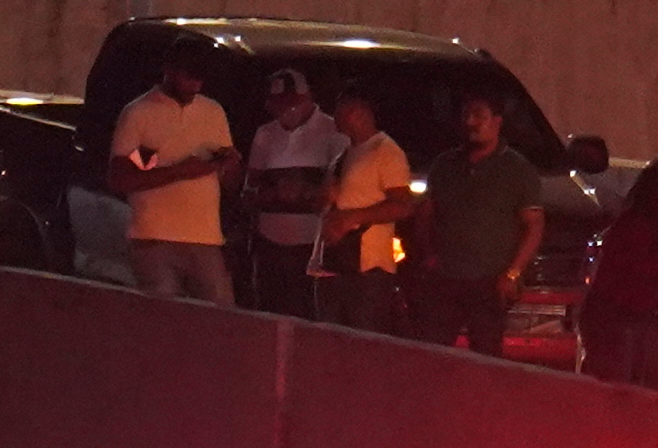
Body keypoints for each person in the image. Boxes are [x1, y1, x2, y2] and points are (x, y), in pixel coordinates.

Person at [400, 87, 550, 358]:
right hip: (445, 278)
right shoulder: (445, 165)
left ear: (497, 121)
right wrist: (429, 256)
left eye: (478, 115)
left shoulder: (516, 169)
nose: (470, 122)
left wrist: (512, 273)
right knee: (431, 351)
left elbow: (534, 225)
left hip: (489, 282)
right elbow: (426, 214)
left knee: (486, 353)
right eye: (466, 115)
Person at [107, 46, 238, 306]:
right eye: (189, 76)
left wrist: (229, 163)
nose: (195, 84)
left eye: (200, 78)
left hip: (206, 237)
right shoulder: (138, 113)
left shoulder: (213, 111)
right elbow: (119, 179)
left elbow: (230, 177)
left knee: (222, 314)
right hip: (154, 238)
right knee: (163, 313)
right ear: (169, 71)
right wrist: (180, 171)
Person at [229, 66, 340, 320]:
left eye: (290, 104)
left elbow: (338, 192)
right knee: (271, 312)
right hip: (270, 245)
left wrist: (304, 193)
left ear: (307, 98)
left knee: (308, 314)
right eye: (277, 105)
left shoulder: (331, 131)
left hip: (310, 246)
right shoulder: (265, 134)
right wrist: (272, 194)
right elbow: (249, 191)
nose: (284, 111)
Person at [574, 168, 658, 383]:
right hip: (612, 318)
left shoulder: (657, 226)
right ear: (655, 195)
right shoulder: (635, 225)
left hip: (626, 318)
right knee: (613, 389)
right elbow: (638, 265)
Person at [315, 86, 412, 333]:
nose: (334, 116)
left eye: (339, 109)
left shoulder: (386, 151)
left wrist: (353, 217)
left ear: (357, 111)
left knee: (363, 340)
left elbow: (403, 205)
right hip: (338, 264)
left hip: (369, 270)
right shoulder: (346, 154)